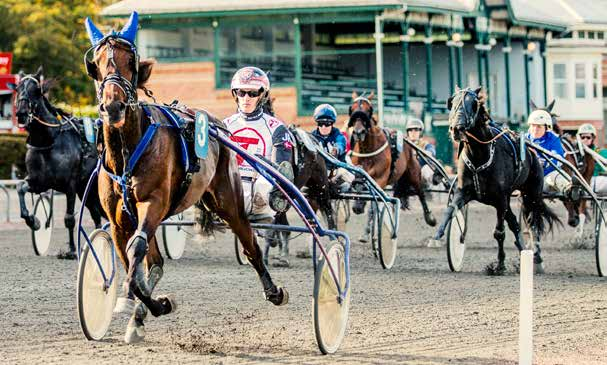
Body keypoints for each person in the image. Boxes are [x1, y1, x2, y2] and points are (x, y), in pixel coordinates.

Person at [223, 66, 294, 219]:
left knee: (266, 182)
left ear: (262, 95)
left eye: (252, 93)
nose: (246, 98)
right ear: (235, 94)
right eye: (241, 92)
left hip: (260, 195)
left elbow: (282, 169)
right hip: (228, 190)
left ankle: (263, 211)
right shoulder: (224, 125)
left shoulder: (277, 128)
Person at [525, 109, 573, 197]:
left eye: (539, 126)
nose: (535, 129)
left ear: (547, 127)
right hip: (526, 180)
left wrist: (541, 164)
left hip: (546, 178)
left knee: (556, 175)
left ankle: (570, 188)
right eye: (533, 126)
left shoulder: (553, 139)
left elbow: (558, 160)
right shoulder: (523, 139)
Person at [311, 104, 355, 192]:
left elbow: (341, 144)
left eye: (327, 124)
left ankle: (335, 186)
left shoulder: (338, 135)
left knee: (344, 173)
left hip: (337, 168)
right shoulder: (312, 136)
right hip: (319, 170)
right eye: (320, 124)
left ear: (332, 124)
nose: (323, 127)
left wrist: (336, 149)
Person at [405, 117, 437, 187]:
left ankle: (434, 178)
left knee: (426, 168)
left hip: (420, 178)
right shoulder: (403, 145)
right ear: (407, 132)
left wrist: (428, 153)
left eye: (416, 130)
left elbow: (432, 151)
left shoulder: (425, 145)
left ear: (420, 132)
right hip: (406, 178)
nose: (413, 133)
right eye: (410, 130)